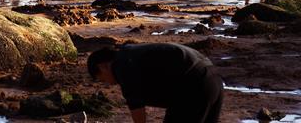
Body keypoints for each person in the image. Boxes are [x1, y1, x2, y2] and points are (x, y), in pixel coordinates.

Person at [88, 43, 224, 123]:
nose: (107, 83)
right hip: (214, 78)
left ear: (102, 66)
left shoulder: (122, 66)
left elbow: (138, 114)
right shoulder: (130, 54)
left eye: (102, 79)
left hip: (193, 84)